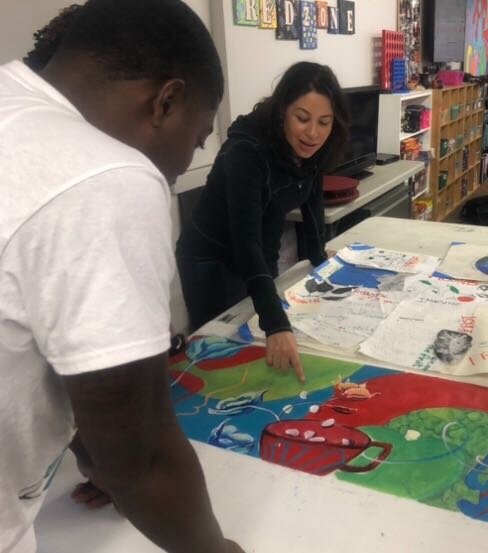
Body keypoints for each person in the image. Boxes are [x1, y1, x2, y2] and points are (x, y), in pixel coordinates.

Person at [0, 1, 244, 552]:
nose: (184, 162)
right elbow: (144, 454)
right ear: (167, 100)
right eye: (198, 136)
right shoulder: (107, 175)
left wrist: (95, 453)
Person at [176, 62, 349, 381]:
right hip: (210, 259)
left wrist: (318, 256)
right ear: (283, 109)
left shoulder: (312, 146)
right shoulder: (247, 151)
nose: (313, 133)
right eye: (302, 118)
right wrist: (276, 324)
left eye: (324, 122)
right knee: (223, 353)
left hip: (257, 252)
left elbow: (312, 197)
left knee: (259, 345)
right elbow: (245, 242)